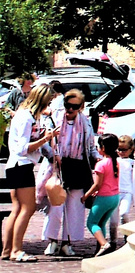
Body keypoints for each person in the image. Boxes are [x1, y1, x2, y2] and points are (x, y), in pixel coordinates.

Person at [2, 84, 58, 262]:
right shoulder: (27, 118)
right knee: (28, 207)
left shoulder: (24, 115)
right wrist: (45, 139)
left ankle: (7, 249)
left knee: (17, 208)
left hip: (15, 165)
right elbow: (23, 148)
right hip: (21, 164)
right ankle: (17, 250)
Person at [42, 88, 95, 257]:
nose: (70, 109)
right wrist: (53, 155)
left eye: (74, 106)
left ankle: (67, 242)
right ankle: (52, 241)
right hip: (58, 167)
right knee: (56, 206)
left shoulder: (85, 123)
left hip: (78, 166)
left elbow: (90, 146)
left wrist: (99, 159)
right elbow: (44, 143)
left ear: (81, 107)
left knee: (74, 208)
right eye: (67, 105)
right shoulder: (55, 119)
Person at [82, 134, 120, 256]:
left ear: (103, 148)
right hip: (114, 197)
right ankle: (101, 248)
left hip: (104, 198)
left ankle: (104, 244)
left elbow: (97, 185)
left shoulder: (101, 164)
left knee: (91, 223)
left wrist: (86, 195)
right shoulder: (116, 162)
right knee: (101, 223)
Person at [107, 136, 135, 247]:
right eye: (119, 149)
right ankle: (113, 241)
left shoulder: (132, 162)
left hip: (127, 192)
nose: (121, 152)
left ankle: (126, 237)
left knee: (124, 214)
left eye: (124, 150)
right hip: (114, 192)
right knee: (113, 220)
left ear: (131, 149)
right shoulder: (114, 160)